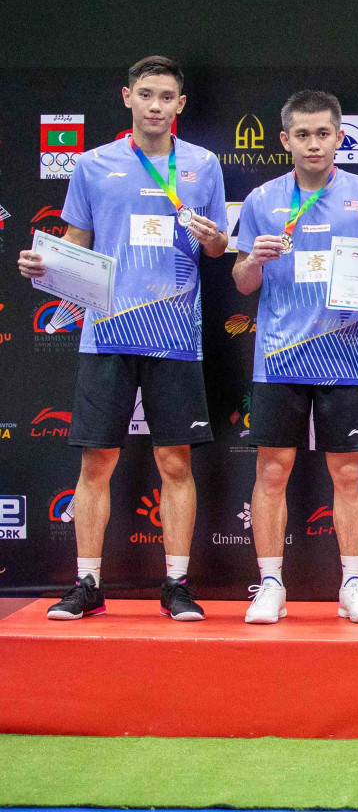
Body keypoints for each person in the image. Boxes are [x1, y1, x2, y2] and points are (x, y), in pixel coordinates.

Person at [18, 55, 228, 621]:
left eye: (167, 96)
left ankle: (177, 585)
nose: (156, 105)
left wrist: (214, 240)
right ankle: (88, 583)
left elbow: (216, 249)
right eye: (146, 94)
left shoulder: (205, 166)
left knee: (175, 463)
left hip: (175, 335)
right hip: (106, 332)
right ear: (127, 98)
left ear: (181, 105)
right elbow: (75, 244)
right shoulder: (91, 165)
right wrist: (45, 265)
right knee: (96, 462)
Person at [232, 90, 358, 625]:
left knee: (348, 474)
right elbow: (241, 283)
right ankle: (271, 585)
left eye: (324, 133)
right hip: (279, 357)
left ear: (340, 136)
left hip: (345, 356)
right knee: (272, 471)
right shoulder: (261, 200)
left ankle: (352, 584)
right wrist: (253, 259)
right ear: (284, 140)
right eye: (302, 134)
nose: (314, 144)